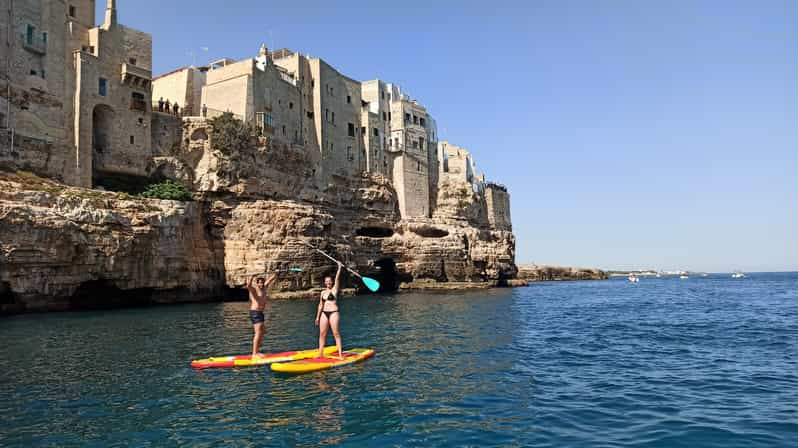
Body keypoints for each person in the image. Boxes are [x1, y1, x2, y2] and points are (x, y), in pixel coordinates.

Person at [315, 262, 344, 359]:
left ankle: (340, 354)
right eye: (326, 281)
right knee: (322, 334)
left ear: (331, 282)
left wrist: (339, 268)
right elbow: (320, 305)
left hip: (334, 313)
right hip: (324, 313)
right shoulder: (322, 292)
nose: (328, 282)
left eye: (329, 281)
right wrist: (317, 317)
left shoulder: (334, 290)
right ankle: (320, 354)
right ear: (324, 282)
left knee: (336, 333)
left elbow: (337, 279)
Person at [246, 272, 278, 358]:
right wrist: (251, 277)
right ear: (257, 283)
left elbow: (271, 279)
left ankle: (257, 351)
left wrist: (276, 273)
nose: (261, 284)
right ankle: (254, 353)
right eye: (259, 282)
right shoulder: (254, 290)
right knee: (258, 332)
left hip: (260, 313)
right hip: (255, 313)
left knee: (262, 332)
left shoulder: (264, 288)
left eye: (262, 282)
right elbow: (248, 285)